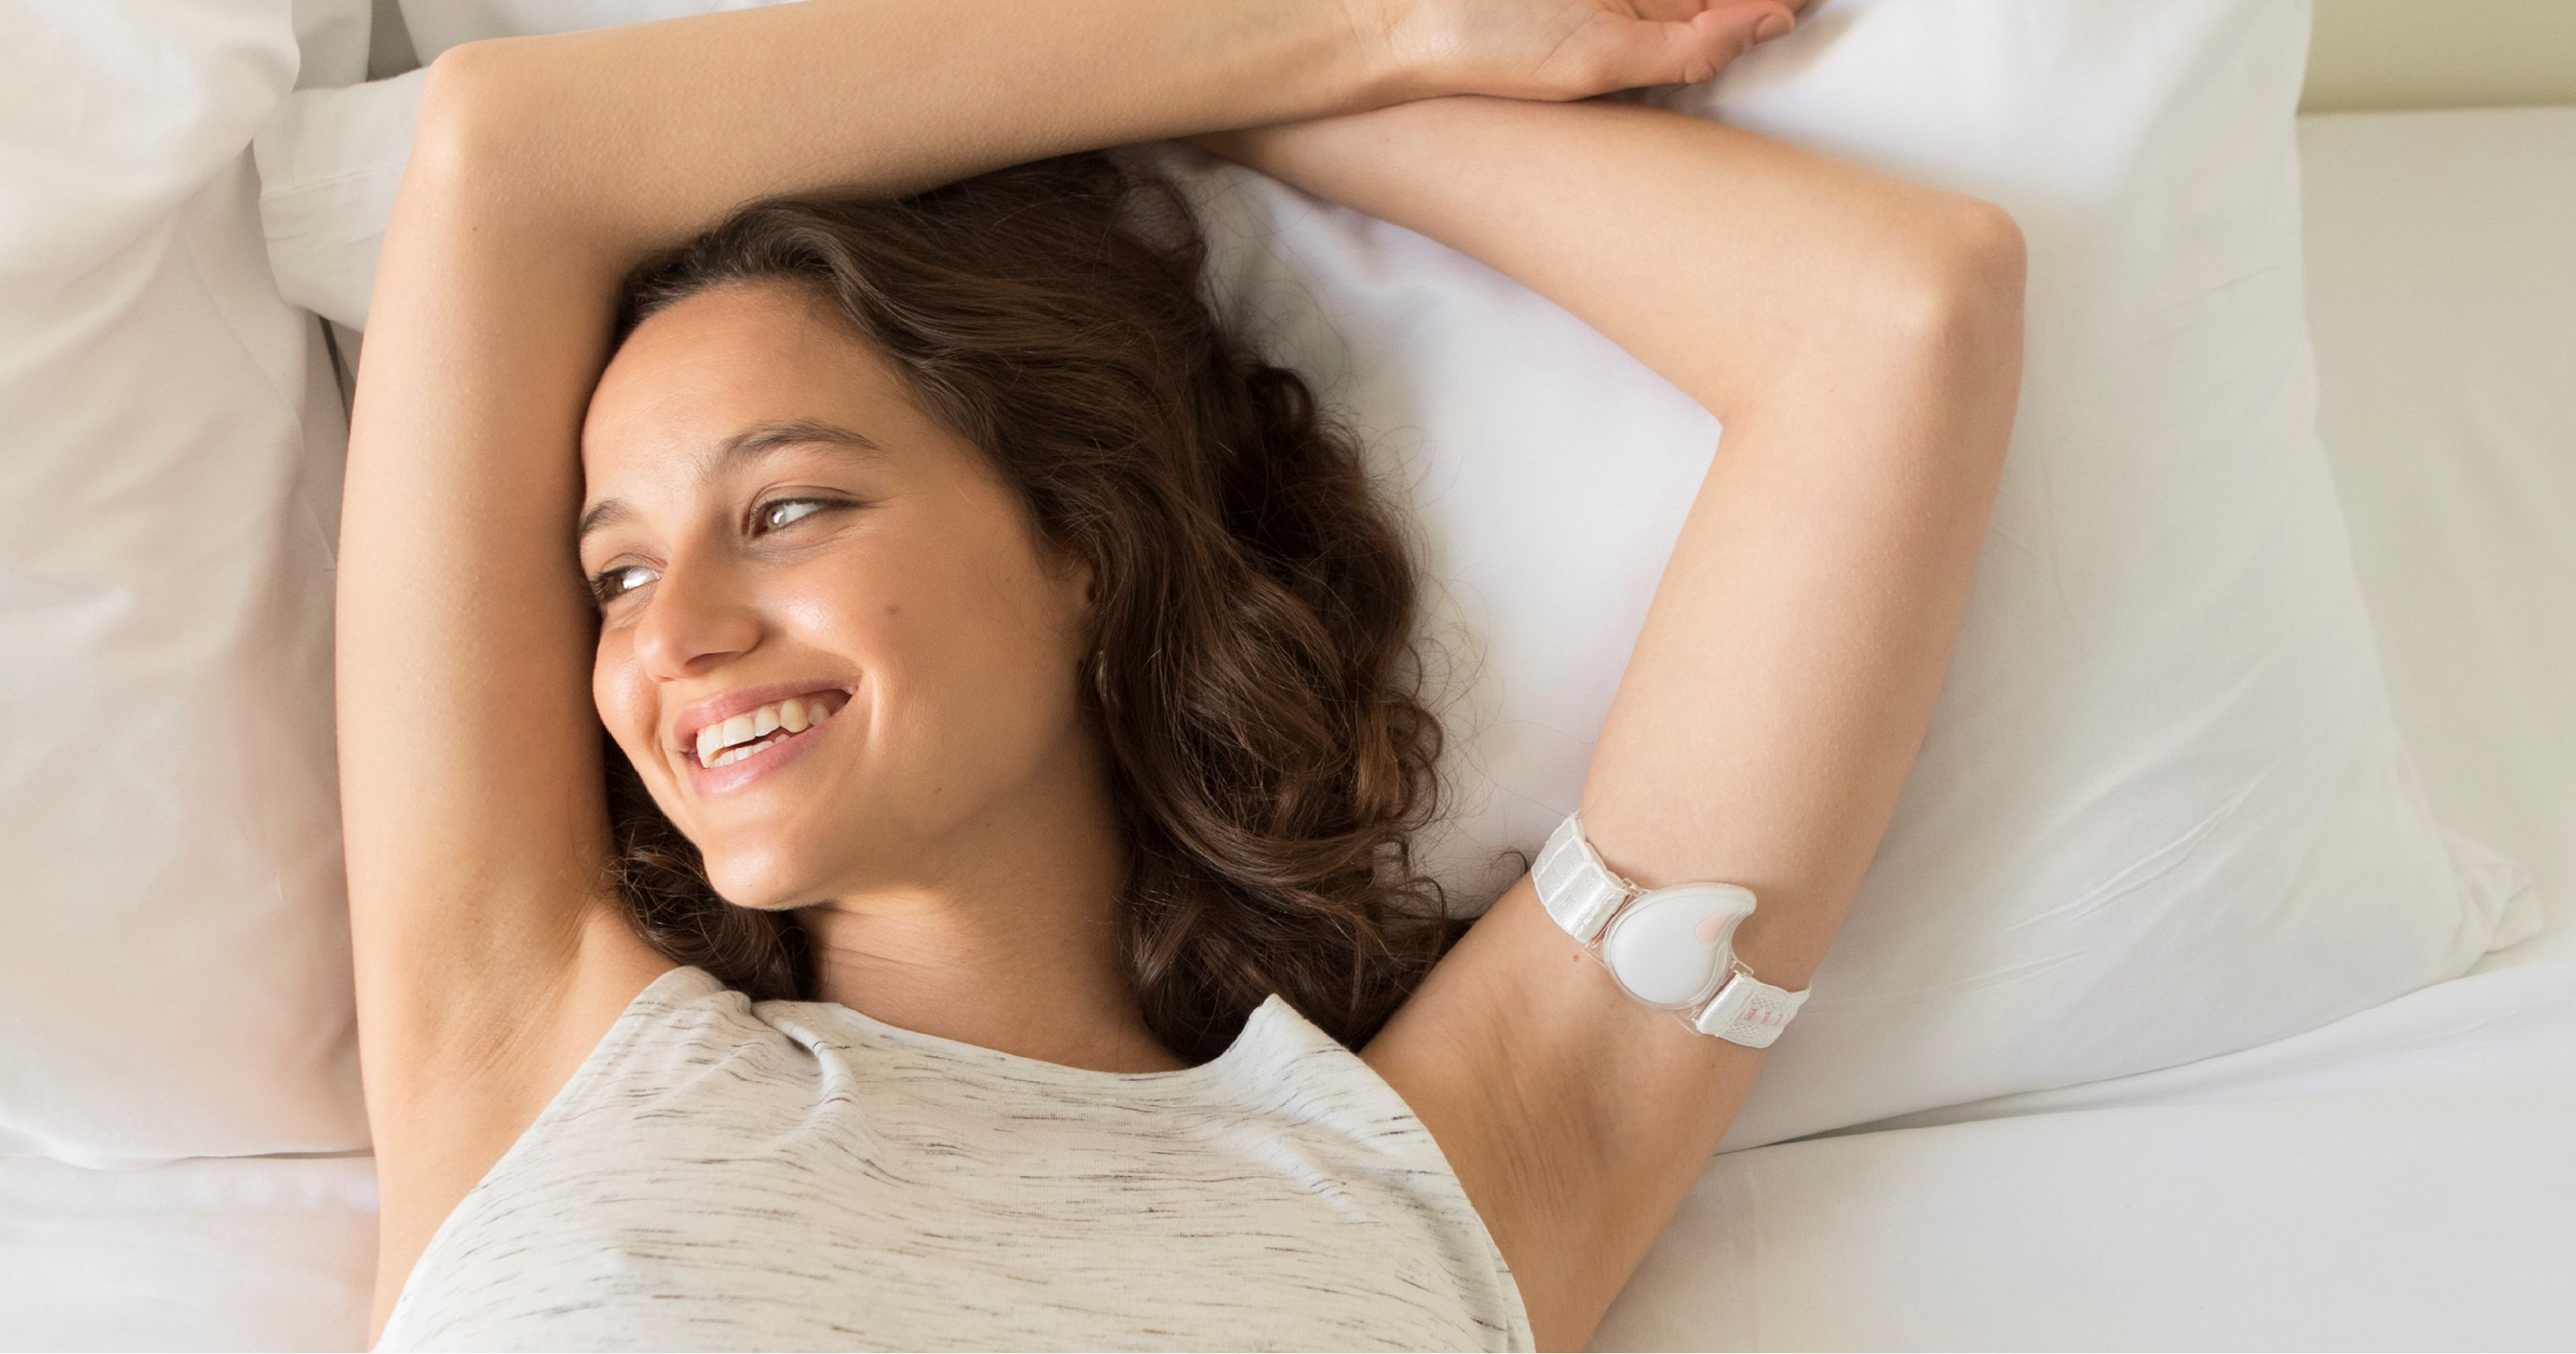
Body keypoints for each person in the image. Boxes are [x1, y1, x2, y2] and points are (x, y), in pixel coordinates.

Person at [336, 0, 2024, 1347]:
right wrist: (1352, 32)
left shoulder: (1454, 1170)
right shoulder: (523, 1044)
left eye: (786, 508)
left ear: (1082, 544)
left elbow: (1896, 317)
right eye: (613, 571)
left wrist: (1223, 92)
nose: (669, 635)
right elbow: (509, 149)